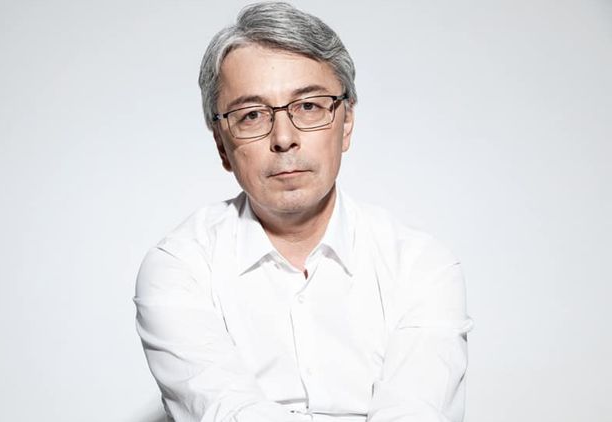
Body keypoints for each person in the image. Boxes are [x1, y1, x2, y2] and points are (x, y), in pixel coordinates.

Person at [134, 2, 472, 421]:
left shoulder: (421, 266)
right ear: (222, 144)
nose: (284, 138)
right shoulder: (180, 267)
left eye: (309, 106)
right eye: (251, 115)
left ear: (346, 123)